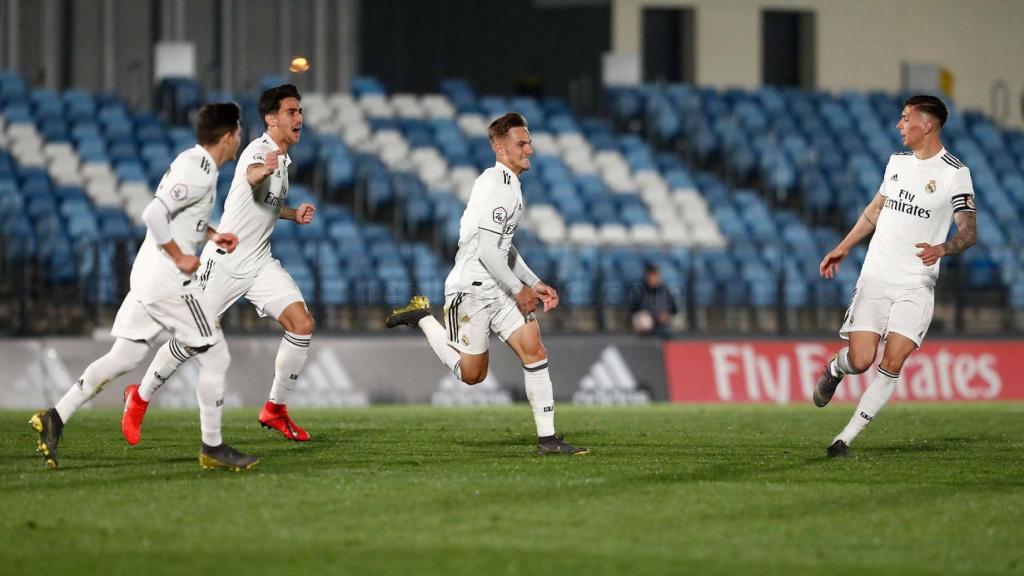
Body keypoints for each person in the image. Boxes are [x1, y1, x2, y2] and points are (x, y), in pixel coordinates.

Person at [30, 103, 256, 470]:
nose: (240, 139)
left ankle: (55, 417)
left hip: (149, 277)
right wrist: (179, 256)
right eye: (239, 132)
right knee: (216, 355)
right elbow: (153, 214)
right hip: (169, 281)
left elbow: (183, 217)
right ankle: (212, 447)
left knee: (125, 357)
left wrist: (213, 235)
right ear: (229, 136)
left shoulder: (194, 163)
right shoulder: (198, 171)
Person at [122, 84, 317, 444]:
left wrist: (293, 213)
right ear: (271, 119)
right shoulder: (259, 151)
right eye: (291, 112)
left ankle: (275, 409)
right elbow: (252, 174)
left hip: (259, 262)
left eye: (300, 111)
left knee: (302, 324)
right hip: (225, 263)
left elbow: (263, 203)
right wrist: (262, 169)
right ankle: (140, 396)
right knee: (191, 339)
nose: (299, 118)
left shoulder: (282, 160)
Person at [386, 112, 588, 456]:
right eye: (521, 144)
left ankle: (549, 440)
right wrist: (519, 290)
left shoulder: (506, 183)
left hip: (497, 284)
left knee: (534, 349)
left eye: (529, 142)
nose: (529, 149)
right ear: (500, 148)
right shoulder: (498, 187)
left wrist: (533, 282)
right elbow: (486, 251)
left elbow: (502, 247)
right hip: (472, 289)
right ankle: (422, 318)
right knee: (472, 375)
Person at [814, 95, 977, 457]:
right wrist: (844, 246)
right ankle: (836, 368)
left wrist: (944, 248)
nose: (899, 125)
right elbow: (875, 211)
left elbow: (969, 231)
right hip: (876, 277)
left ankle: (844, 439)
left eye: (905, 118)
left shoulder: (955, 173)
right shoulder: (896, 163)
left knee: (892, 362)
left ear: (927, 125)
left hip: (916, 284)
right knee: (860, 360)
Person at [628, 262, 677, 337]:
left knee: (672, 325)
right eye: (651, 275)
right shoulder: (640, 291)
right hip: (647, 326)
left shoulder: (665, 290)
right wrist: (652, 316)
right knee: (643, 318)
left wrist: (666, 315)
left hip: (664, 325)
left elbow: (674, 309)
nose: (653, 278)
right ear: (646, 276)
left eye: (655, 275)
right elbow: (634, 311)